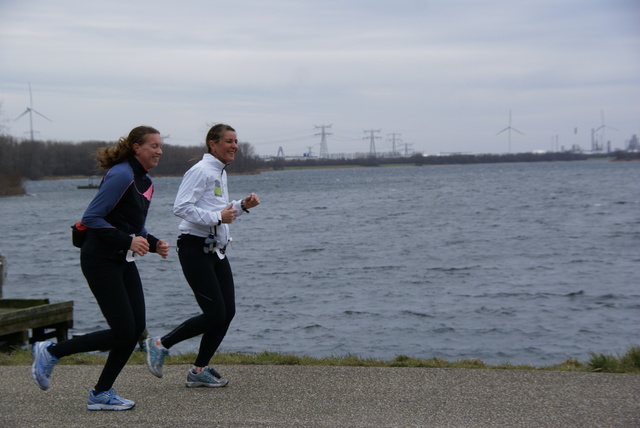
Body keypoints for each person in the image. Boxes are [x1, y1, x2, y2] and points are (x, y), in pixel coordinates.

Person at [31, 125, 170, 411]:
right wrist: (129, 241)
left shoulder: (146, 181)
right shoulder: (121, 174)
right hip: (99, 258)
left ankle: (101, 393)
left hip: (120, 258)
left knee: (135, 329)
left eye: (160, 145)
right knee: (122, 330)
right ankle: (51, 351)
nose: (159, 150)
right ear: (136, 148)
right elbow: (92, 217)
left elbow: (136, 226)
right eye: (153, 145)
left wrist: (154, 243)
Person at [145, 123, 259, 387]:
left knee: (227, 312)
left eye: (236, 141)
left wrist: (241, 206)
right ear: (213, 144)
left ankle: (198, 371)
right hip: (194, 249)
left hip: (216, 251)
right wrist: (218, 216)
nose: (234, 146)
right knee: (215, 314)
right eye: (229, 141)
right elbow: (182, 207)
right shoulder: (201, 171)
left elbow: (219, 212)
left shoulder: (219, 171)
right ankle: (160, 344)